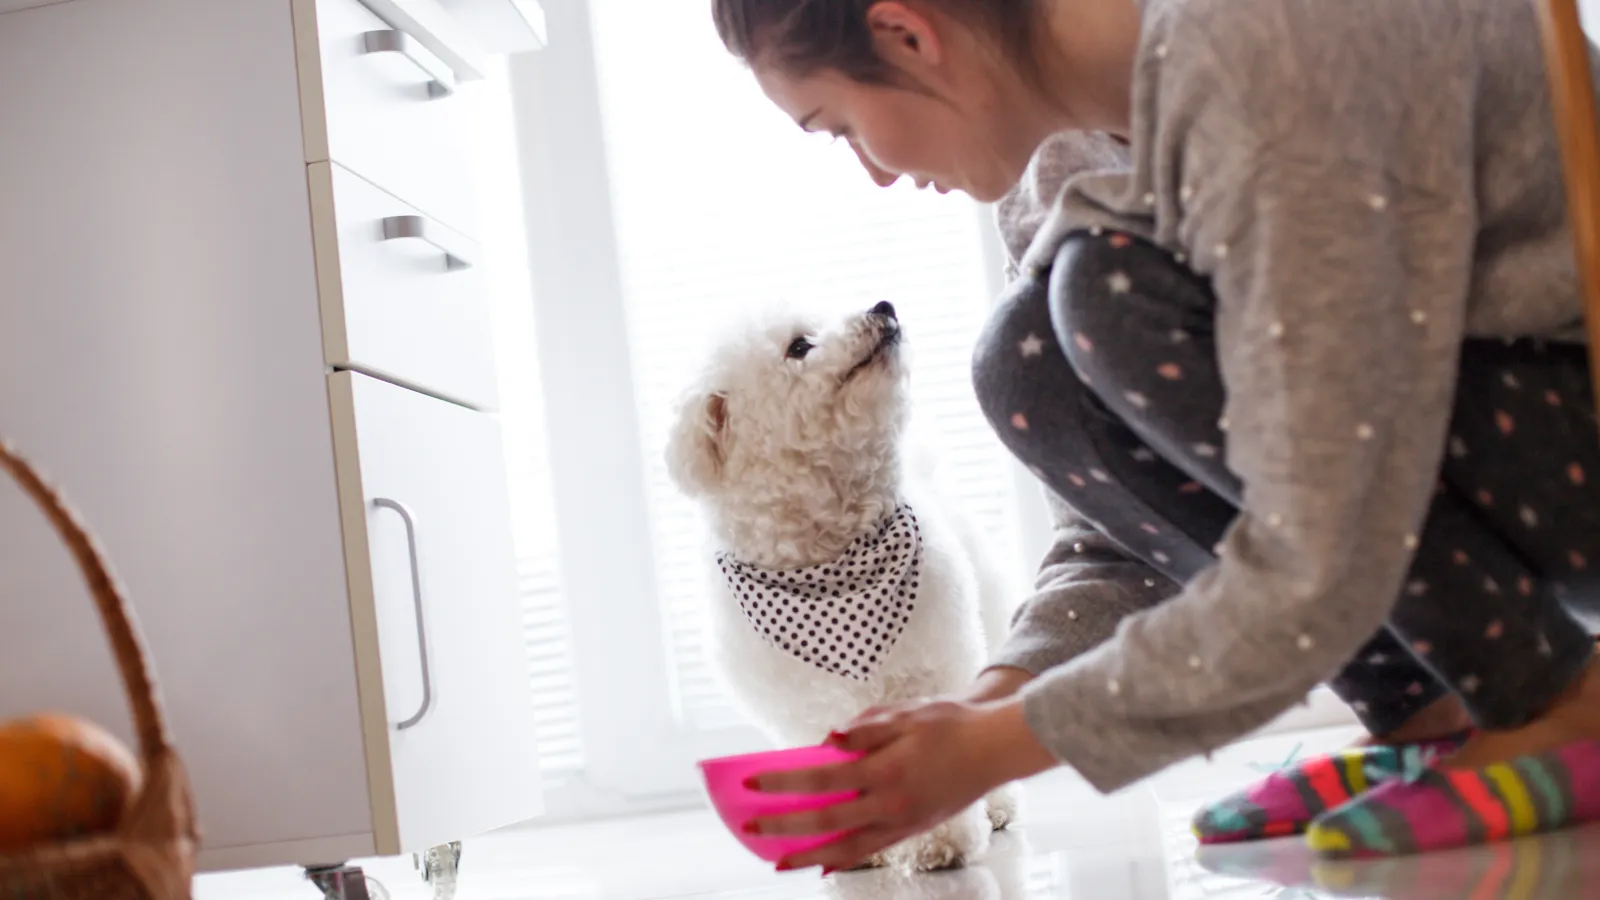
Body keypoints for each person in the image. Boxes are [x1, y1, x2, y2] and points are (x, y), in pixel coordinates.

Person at [713, 0, 1600, 872]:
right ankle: (1435, 711)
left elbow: (1333, 527)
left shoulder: (1273, 41)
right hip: (1493, 454)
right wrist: (975, 715)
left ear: (906, 33)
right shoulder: (1063, 168)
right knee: (1032, 360)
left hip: (1569, 427)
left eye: (838, 128)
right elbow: (1126, 523)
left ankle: (1559, 703)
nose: (871, 173)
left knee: (1103, 295)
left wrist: (1000, 750)